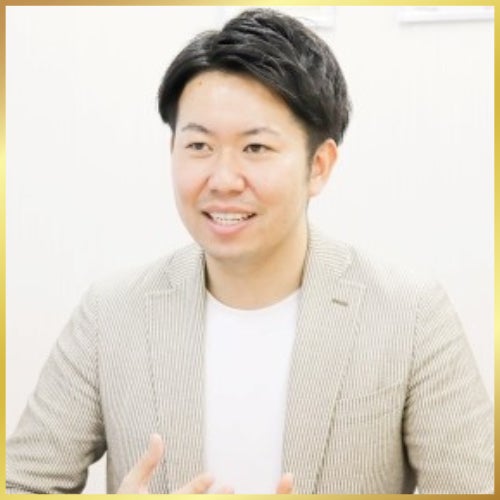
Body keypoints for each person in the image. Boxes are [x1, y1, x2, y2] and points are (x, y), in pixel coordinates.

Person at [6, 8, 493, 495]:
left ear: (319, 165)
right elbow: (19, 485)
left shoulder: (410, 315)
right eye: (199, 146)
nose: (222, 180)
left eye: (255, 148)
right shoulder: (110, 314)